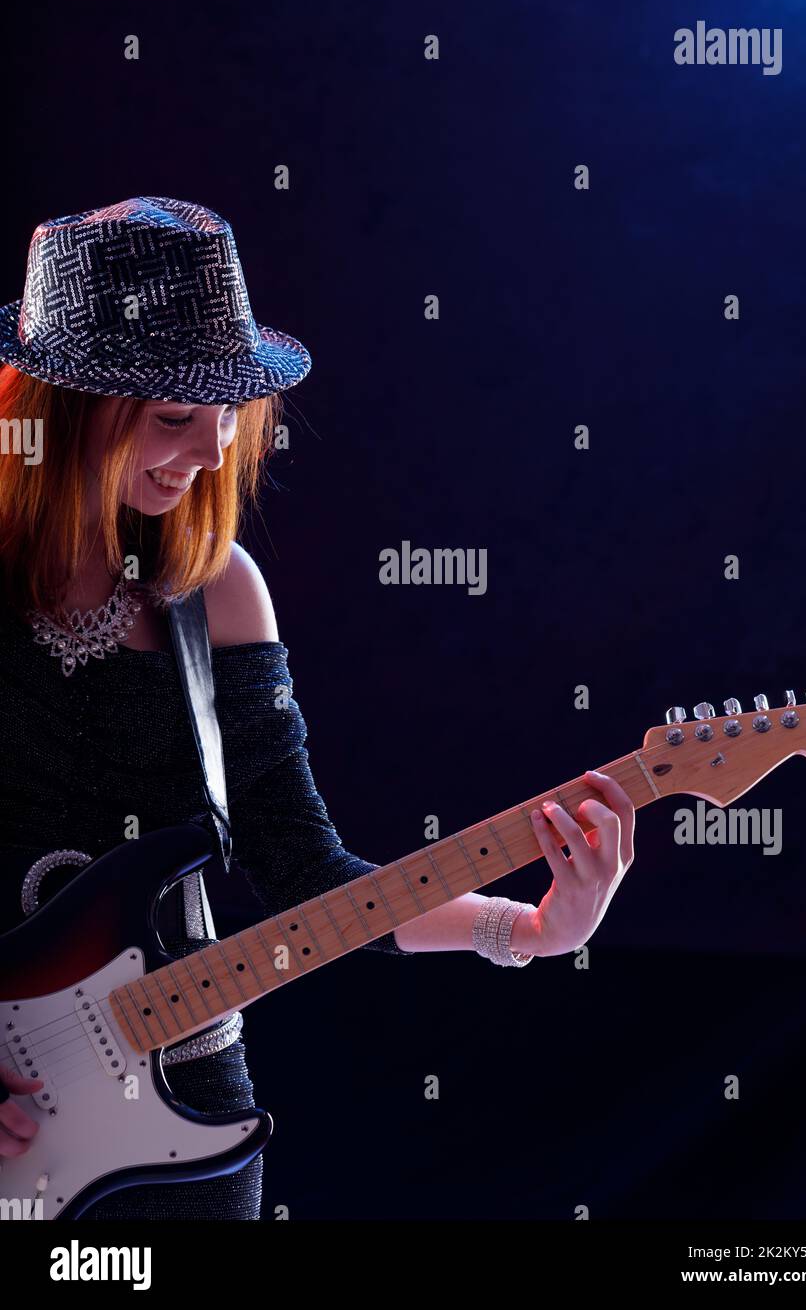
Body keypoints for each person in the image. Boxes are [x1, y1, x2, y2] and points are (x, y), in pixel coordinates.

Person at [0, 196, 637, 1219]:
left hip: (184, 1124)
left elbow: (305, 871)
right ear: (61, 403)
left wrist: (525, 927)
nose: (212, 454)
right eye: (173, 416)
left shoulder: (218, 592)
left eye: (228, 417)